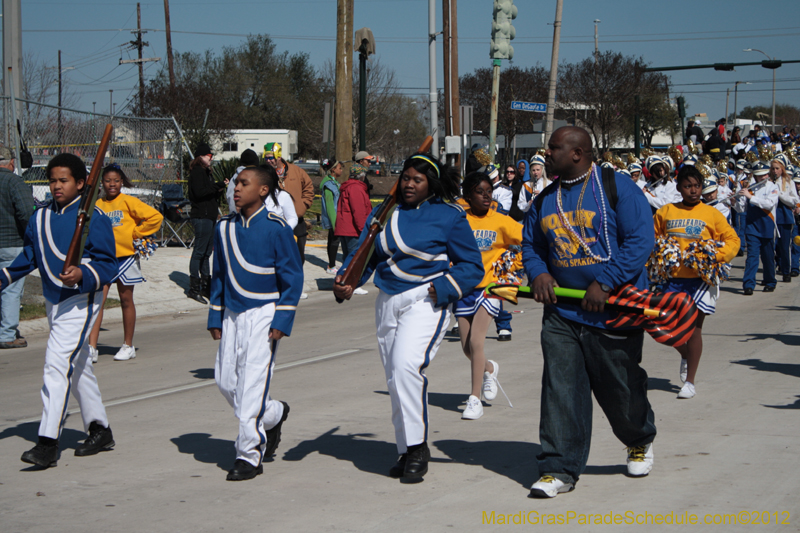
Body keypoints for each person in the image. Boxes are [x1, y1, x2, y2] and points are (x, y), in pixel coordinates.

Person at [522, 126, 657, 498]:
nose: (546, 154)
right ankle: (558, 467)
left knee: (620, 388)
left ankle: (639, 439)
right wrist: (539, 273)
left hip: (614, 309)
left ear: (578, 153)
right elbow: (530, 246)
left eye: (553, 148)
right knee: (561, 389)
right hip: (562, 312)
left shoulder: (618, 187)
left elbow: (641, 240)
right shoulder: (546, 198)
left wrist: (607, 282)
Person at [333, 153, 483, 483]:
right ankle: (405, 447)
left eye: (418, 179)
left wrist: (445, 288)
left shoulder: (449, 216)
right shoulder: (385, 213)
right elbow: (366, 255)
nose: (409, 184)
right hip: (387, 299)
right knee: (394, 378)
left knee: (405, 367)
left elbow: (473, 267)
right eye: (406, 178)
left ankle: (417, 448)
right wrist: (347, 280)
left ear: (431, 184)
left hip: (426, 299)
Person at [0, 153, 118, 468]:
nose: (56, 186)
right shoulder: (40, 218)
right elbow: (31, 253)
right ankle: (99, 428)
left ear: (80, 184)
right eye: (52, 180)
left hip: (82, 299)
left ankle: (48, 442)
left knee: (56, 364)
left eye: (63, 180)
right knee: (77, 365)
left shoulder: (94, 218)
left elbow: (109, 265)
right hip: (55, 300)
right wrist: (5, 276)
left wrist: (83, 273)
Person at [208, 166, 302, 481]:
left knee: (251, 385)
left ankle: (249, 454)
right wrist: (215, 314)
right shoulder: (223, 227)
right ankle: (273, 414)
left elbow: (292, 276)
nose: (236, 188)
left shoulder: (277, 228)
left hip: (265, 313)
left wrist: (283, 317)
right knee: (224, 380)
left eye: (244, 183)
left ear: (263, 190)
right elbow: (218, 275)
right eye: (235, 183)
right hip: (233, 313)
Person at [653, 166, 740, 399]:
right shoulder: (666, 211)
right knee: (664, 326)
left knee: (693, 330)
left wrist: (714, 256)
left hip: (700, 280)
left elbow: (732, 240)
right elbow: (651, 238)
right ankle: (685, 354)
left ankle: (690, 382)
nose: (693, 190)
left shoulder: (712, 214)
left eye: (697, 186)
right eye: (688, 186)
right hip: (672, 279)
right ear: (679, 187)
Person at [456, 171, 522, 420]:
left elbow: (528, 241)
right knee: (467, 348)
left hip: (492, 288)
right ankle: (490, 368)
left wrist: (511, 266)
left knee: (476, 341)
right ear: (467, 196)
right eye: (480, 192)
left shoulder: (501, 221)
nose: (486, 196)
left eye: (489, 191)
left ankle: (474, 399)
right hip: (464, 288)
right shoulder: (460, 221)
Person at [87, 164, 164, 363]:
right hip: (103, 258)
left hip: (126, 258)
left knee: (126, 300)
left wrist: (135, 233)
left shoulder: (129, 201)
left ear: (122, 182)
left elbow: (156, 217)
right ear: (101, 183)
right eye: (107, 181)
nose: (112, 184)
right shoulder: (98, 205)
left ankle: (128, 345)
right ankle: (92, 347)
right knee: (98, 302)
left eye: (116, 180)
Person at [0, 145, 34, 349]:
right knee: (11, 290)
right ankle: (6, 334)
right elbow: (26, 213)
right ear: (12, 163)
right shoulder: (14, 182)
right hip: (12, 244)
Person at [263, 142, 314, 273]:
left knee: (297, 255)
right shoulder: (264, 174)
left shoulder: (296, 171)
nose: (268, 161)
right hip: (274, 224)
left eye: (270, 157)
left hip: (296, 221)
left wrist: (302, 207)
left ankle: (297, 284)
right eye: (266, 158)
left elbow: (308, 188)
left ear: (278, 157)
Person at [187, 142, 227, 304]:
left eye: (211, 156)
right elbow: (200, 192)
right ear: (200, 157)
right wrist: (218, 186)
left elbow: (209, 192)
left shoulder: (206, 172)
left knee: (207, 253)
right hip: (201, 216)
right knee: (199, 252)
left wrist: (217, 189)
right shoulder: (197, 172)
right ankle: (194, 288)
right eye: (208, 156)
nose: (211, 159)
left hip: (210, 216)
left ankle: (206, 285)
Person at [733, 161, 779, 295]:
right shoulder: (751, 187)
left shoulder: (773, 187)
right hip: (752, 227)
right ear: (755, 176)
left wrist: (750, 197)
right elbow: (742, 208)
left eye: (765, 175)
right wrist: (734, 202)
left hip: (767, 226)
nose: (763, 178)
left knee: (768, 257)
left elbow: (769, 204)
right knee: (752, 257)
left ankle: (770, 281)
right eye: (759, 176)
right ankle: (748, 284)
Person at [334, 164, 372, 296]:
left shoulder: (348, 186)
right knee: (355, 257)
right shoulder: (356, 188)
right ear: (361, 176)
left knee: (348, 257)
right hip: (353, 229)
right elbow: (359, 211)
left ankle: (345, 280)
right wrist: (365, 229)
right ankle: (352, 283)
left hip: (345, 227)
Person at [771, 156, 799, 282]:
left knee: (785, 246)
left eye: (777, 168)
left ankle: (786, 271)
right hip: (771, 217)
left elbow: (795, 201)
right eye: (773, 168)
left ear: (782, 169)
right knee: (771, 247)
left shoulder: (789, 182)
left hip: (785, 216)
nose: (775, 171)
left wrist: (781, 195)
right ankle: (772, 271)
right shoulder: (769, 182)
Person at [320, 159, 343, 274]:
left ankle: (331, 264)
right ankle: (331, 266)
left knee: (332, 240)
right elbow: (330, 206)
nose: (341, 170)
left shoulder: (333, 182)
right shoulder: (328, 185)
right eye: (339, 168)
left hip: (336, 217)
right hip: (333, 218)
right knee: (334, 241)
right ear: (333, 170)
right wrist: (335, 224)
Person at [226, 149, 259, 213]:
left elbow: (229, 196)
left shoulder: (234, 177)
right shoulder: (255, 177)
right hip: (251, 216)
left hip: (234, 217)